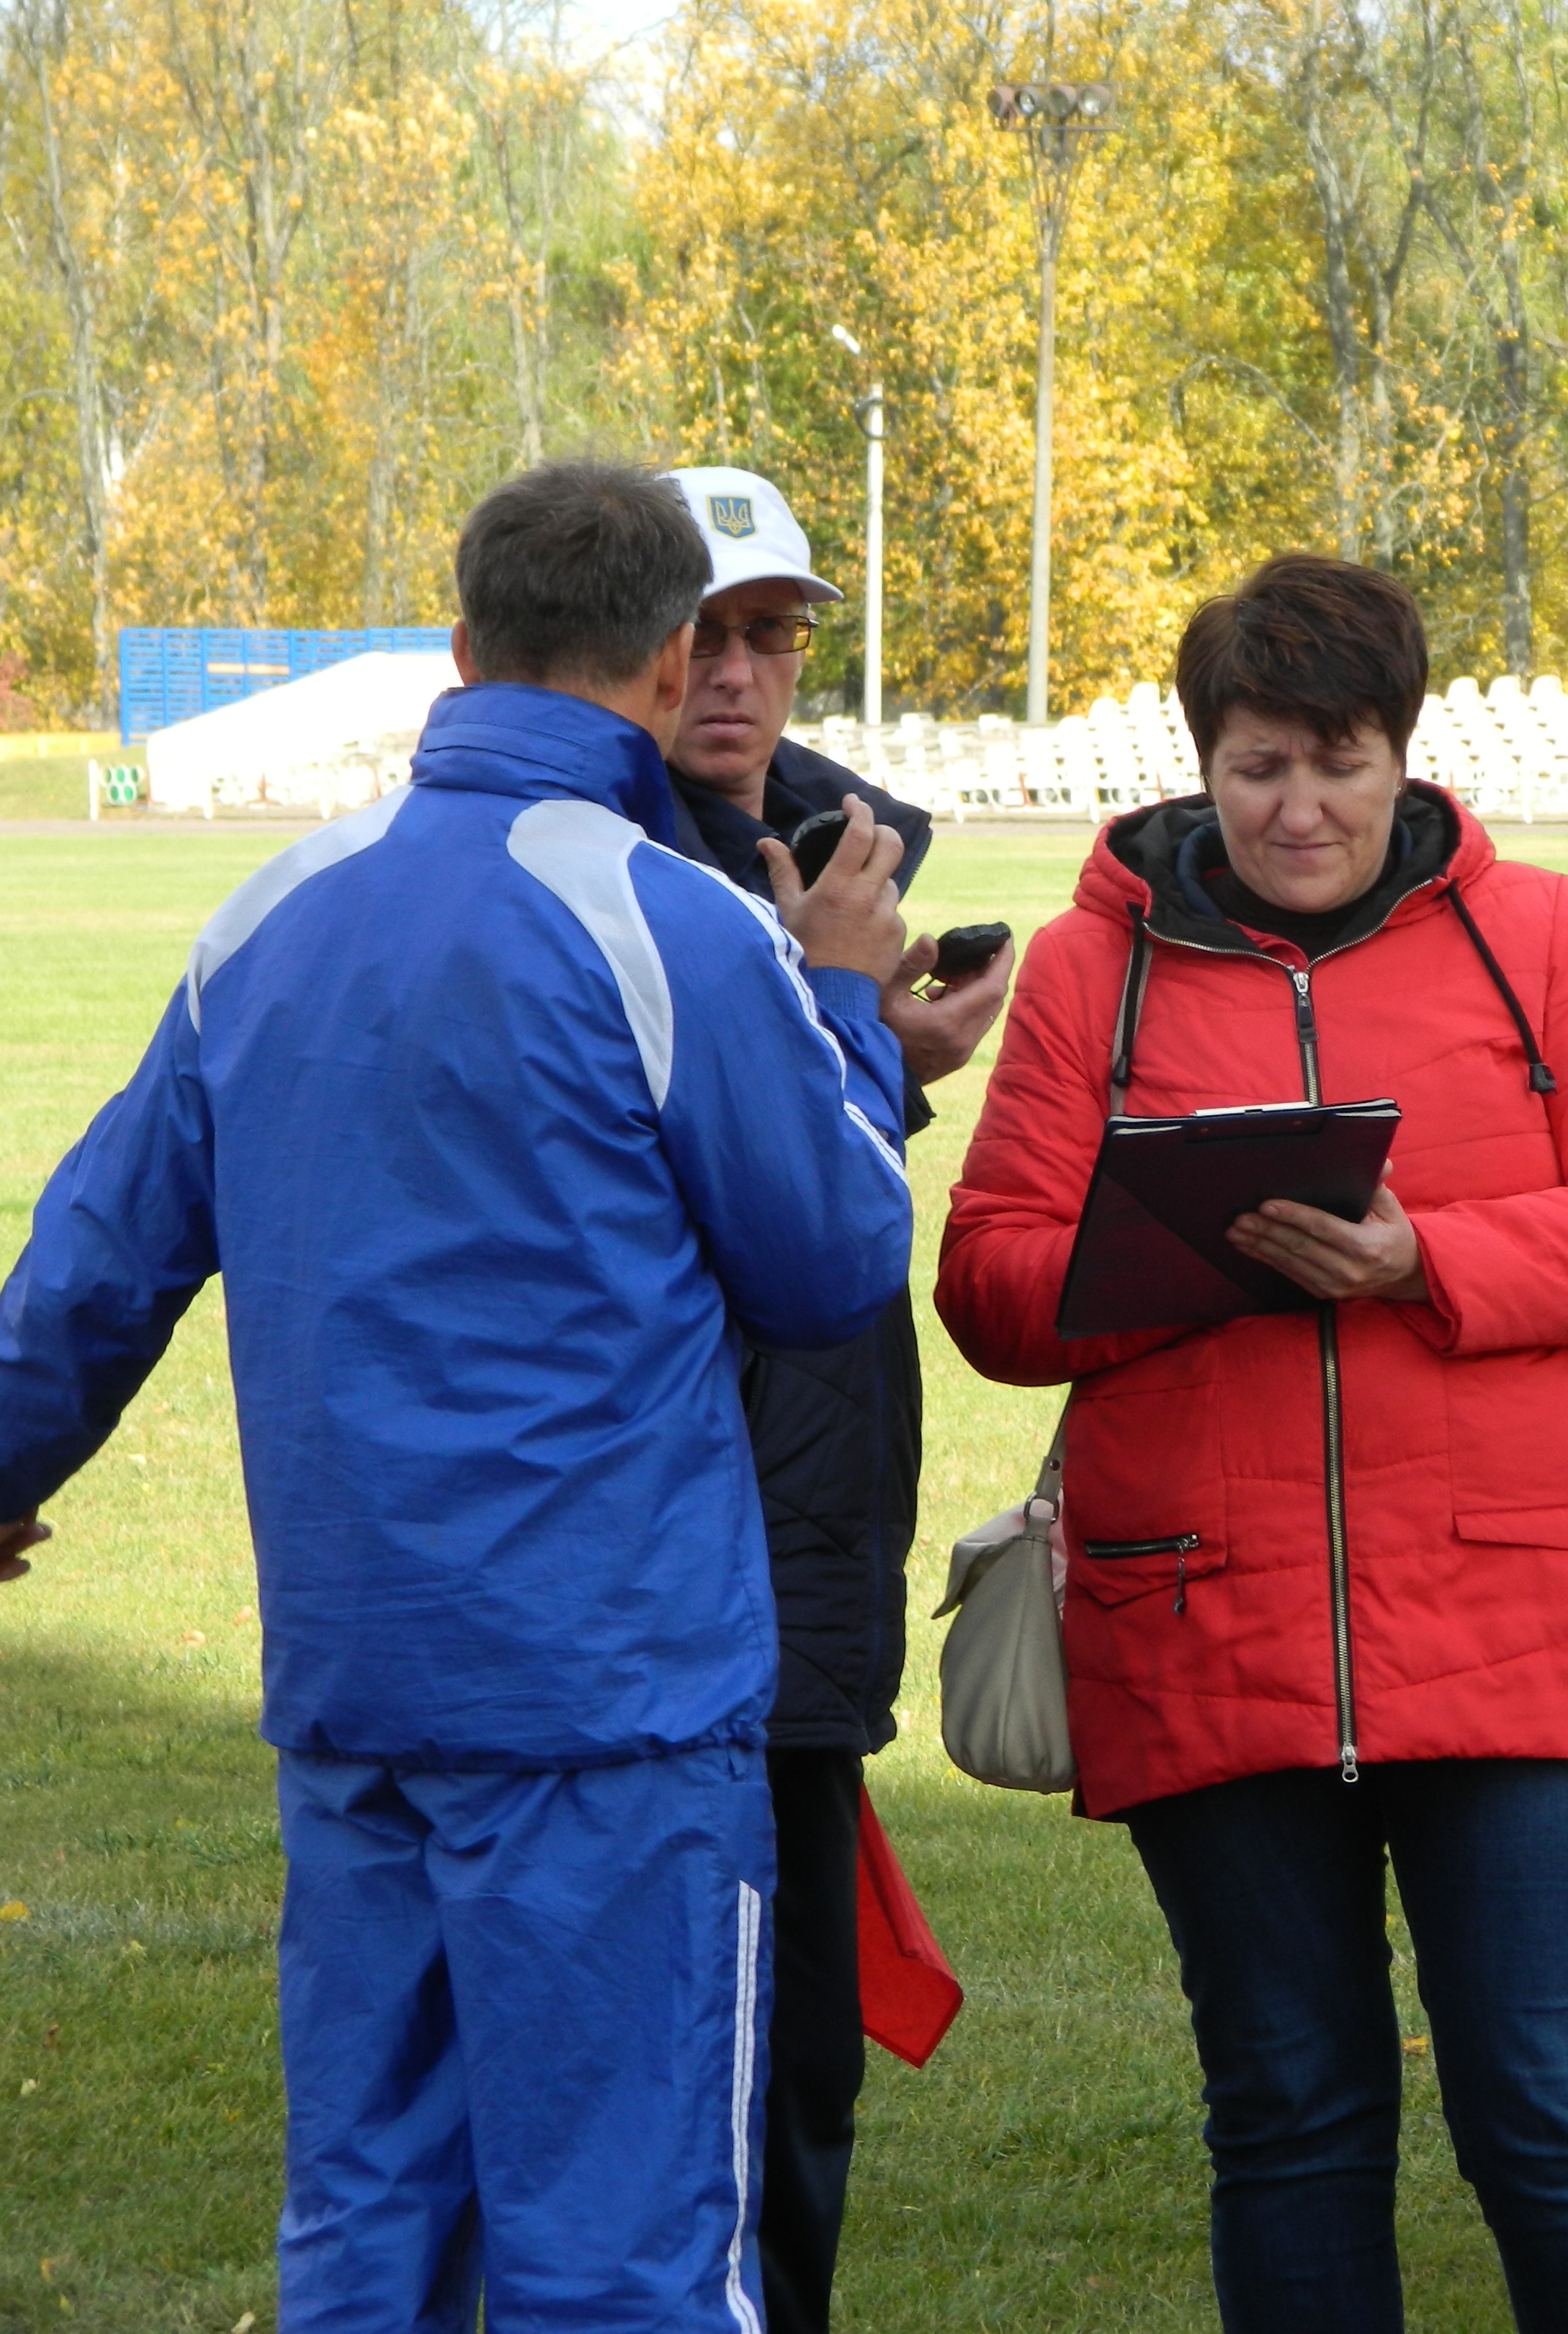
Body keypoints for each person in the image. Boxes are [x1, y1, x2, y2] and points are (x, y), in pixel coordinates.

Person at [0, 457, 918, 2333]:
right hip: (605, 1710)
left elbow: (107, 1237)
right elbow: (835, 1261)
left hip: (362, 1686)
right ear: (658, 667)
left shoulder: (269, 915)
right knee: (624, 2247)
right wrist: (851, 1015)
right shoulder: (675, 928)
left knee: (372, 2219)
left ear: (456, 652)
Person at [936, 553, 1568, 2334]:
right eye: (1257, 768)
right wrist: (1180, 1267)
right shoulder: (1092, 972)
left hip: (1520, 1630)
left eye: (1338, 761)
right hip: (1204, 1630)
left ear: (1403, 752)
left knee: (1560, 2120)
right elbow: (990, 1294)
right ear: (1198, 767)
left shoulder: (1538, 938)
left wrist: (1422, 1259)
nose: (1299, 809)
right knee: (1290, 2124)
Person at [655, 462, 1011, 2334]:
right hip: (680, 1600)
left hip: (796, 1573)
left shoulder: (824, 858)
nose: (737, 674)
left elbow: (795, 1206)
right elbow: (672, 1215)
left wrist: (892, 1055)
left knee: (794, 2095)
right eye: (701, 631)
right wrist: (845, 1021)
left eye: (771, 634)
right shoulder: (624, 880)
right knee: (706, 2117)